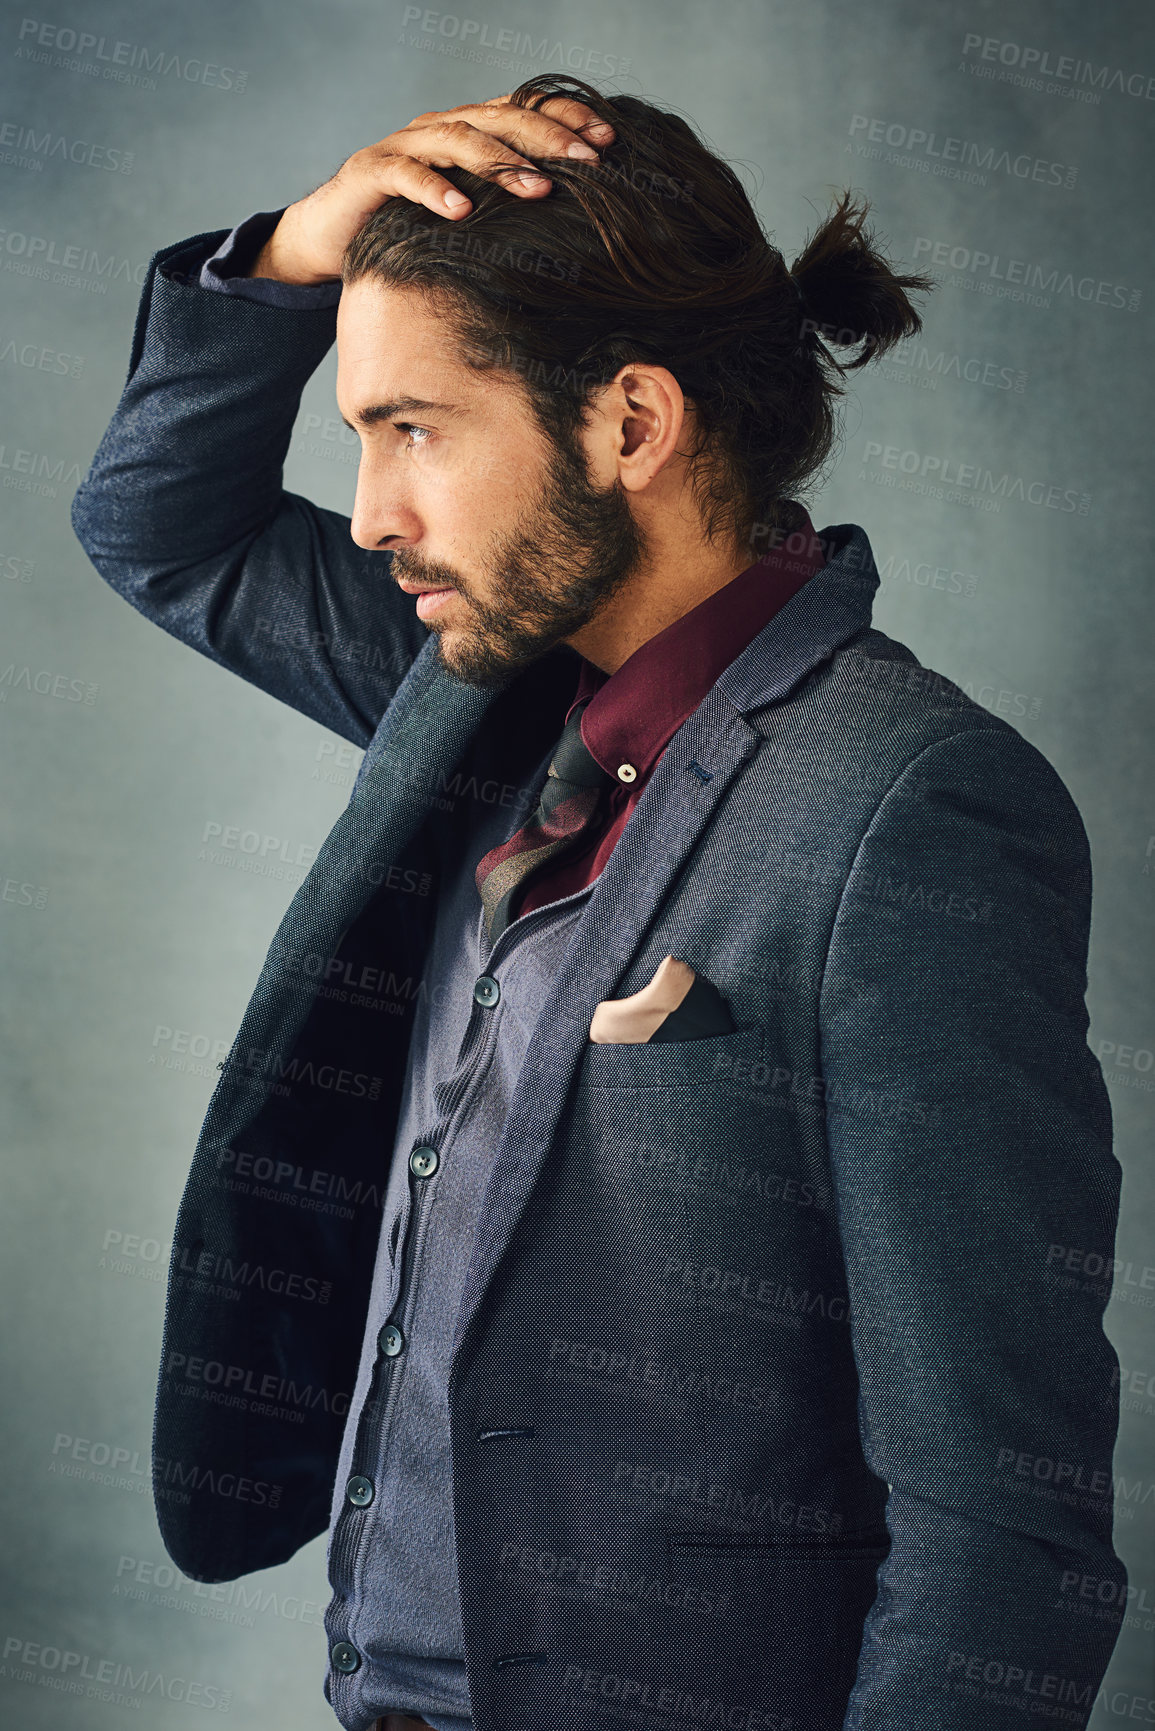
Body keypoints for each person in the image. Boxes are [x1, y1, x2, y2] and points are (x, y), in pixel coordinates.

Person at [71, 71, 1127, 1731]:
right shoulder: (474, 688)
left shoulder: (910, 807)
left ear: (631, 425)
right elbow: (155, 529)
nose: (372, 515)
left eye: (415, 429)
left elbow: (1004, 1525)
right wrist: (287, 253)